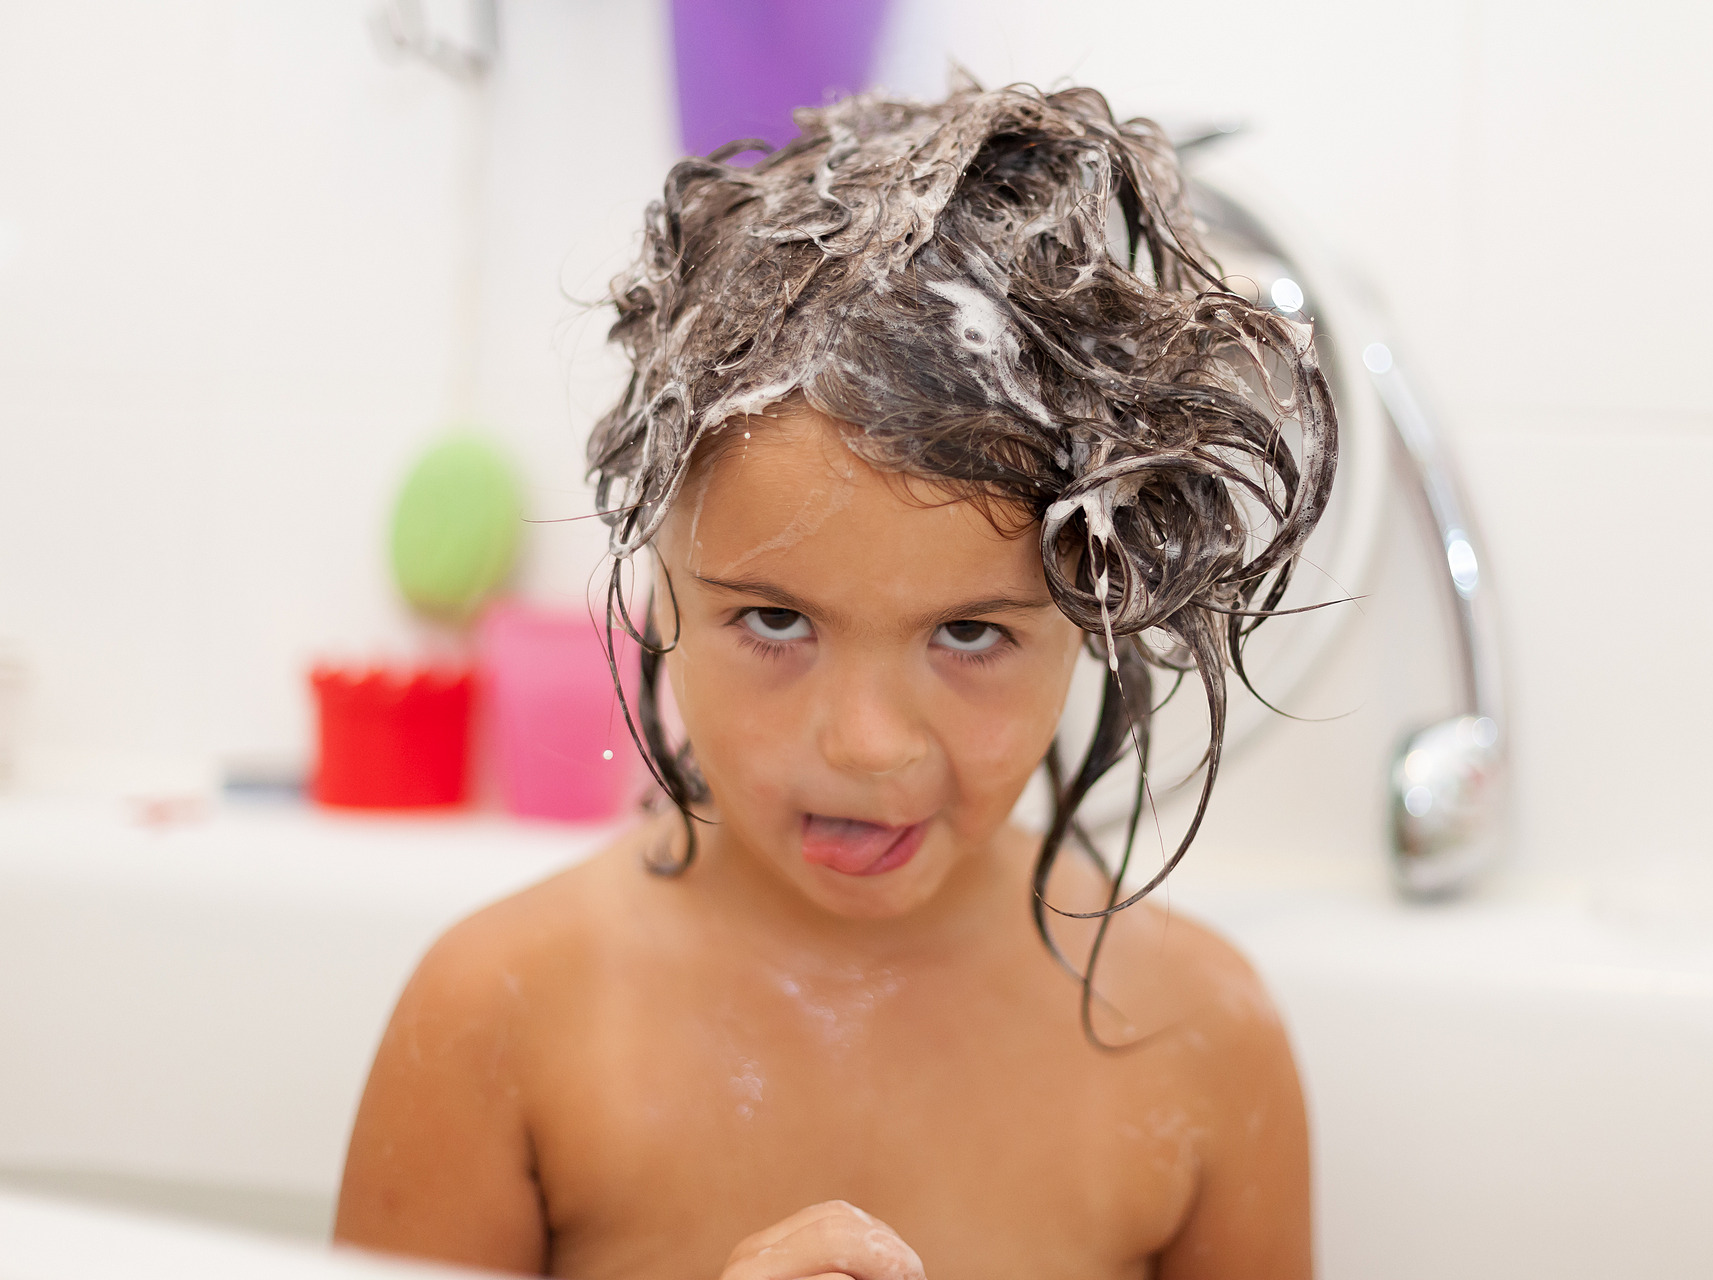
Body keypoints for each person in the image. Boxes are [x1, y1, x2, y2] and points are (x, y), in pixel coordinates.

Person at [334, 79, 1336, 1280]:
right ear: (661, 584)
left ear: (1091, 610)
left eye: (970, 633)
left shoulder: (1199, 1037)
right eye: (775, 619)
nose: (867, 744)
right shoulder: (501, 1017)